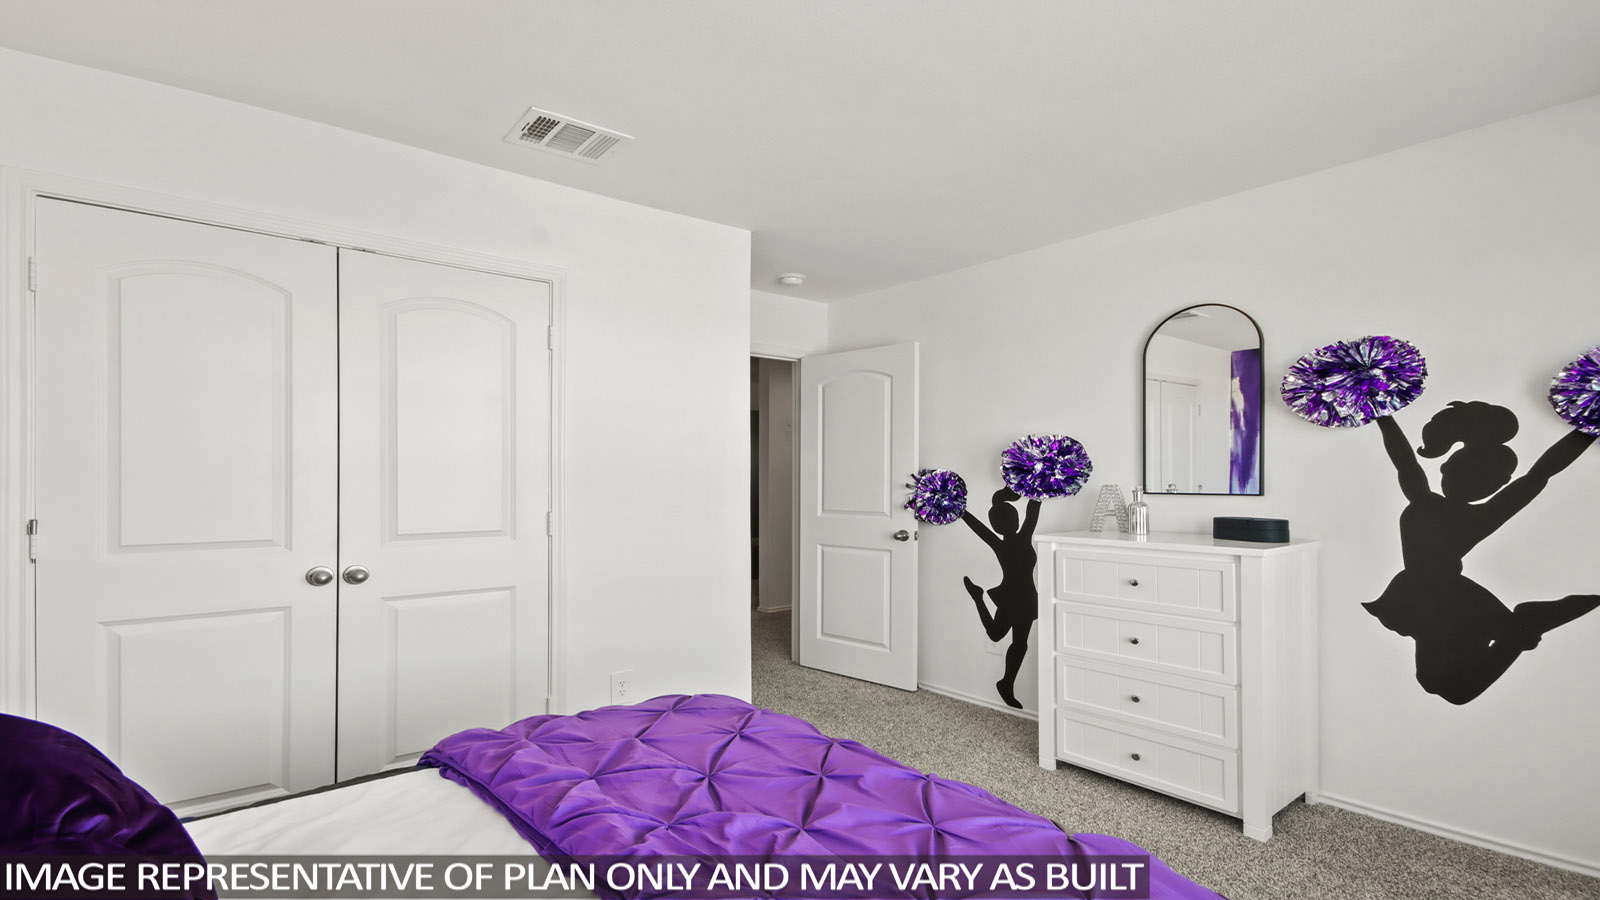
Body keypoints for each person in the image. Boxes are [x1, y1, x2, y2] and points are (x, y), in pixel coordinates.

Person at [1368, 401, 1598, 704]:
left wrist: (1382, 413)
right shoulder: (1480, 517)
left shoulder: (1424, 502)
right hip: (1444, 594)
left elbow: (1404, 460)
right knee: (1448, 684)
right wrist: (1588, 427)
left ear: (1445, 469)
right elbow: (1541, 473)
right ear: (1497, 485)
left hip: (1431, 594)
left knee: (1445, 684)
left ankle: (1530, 622)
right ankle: (1531, 622)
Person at [961, 487, 1040, 709]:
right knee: (996, 635)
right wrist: (962, 512)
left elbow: (1032, 514)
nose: (1014, 522)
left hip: (1024, 596)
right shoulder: (1007, 542)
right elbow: (979, 529)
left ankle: (1006, 683)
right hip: (1013, 595)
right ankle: (978, 597)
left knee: (1020, 644)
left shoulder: (1013, 540)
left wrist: (1038, 487)